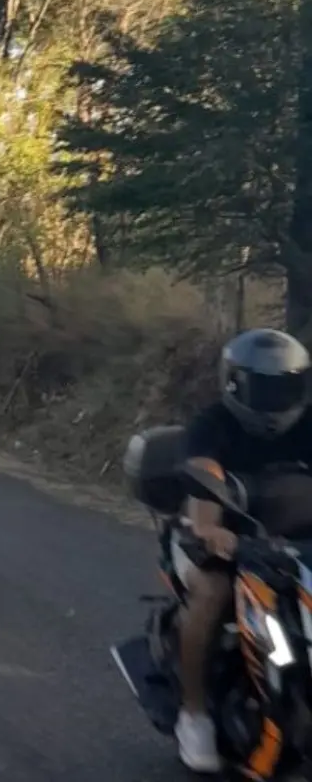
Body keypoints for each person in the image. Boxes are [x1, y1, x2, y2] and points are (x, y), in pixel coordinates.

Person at [174, 327, 312, 773]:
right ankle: (193, 716)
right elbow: (204, 483)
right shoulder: (211, 425)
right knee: (213, 590)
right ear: (235, 383)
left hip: (293, 543)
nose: (276, 398)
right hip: (217, 540)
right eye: (264, 387)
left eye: (285, 386)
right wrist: (213, 531)